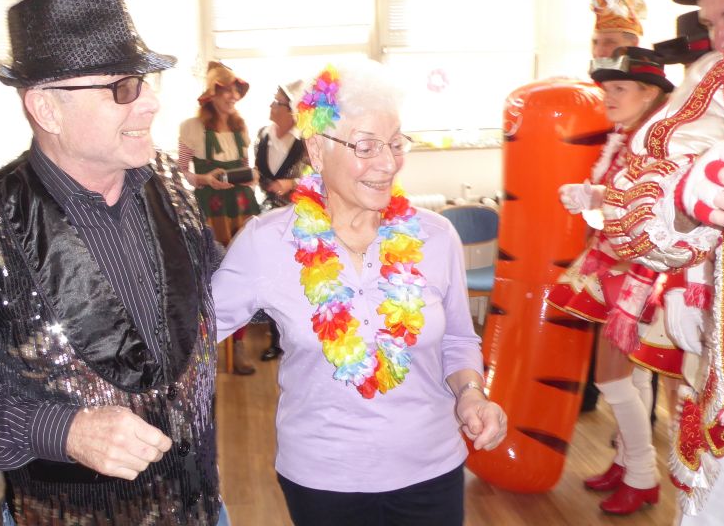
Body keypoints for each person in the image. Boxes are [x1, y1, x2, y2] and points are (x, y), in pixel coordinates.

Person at [0, 0, 225, 525]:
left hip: (204, 508)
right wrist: (65, 431)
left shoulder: (170, 184)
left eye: (145, 82)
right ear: (47, 108)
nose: (150, 102)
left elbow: (216, 289)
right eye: (122, 87)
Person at [212, 61, 507, 526]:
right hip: (323, 478)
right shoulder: (266, 242)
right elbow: (191, 338)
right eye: (366, 146)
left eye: (396, 143)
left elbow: (456, 338)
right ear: (317, 148)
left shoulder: (435, 236)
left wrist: (471, 393)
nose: (388, 163)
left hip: (432, 468)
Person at [597, 0, 724, 522]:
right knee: (642, 379)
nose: (721, 40)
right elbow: (638, 200)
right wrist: (685, 197)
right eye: (712, 24)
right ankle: (635, 467)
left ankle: (637, 470)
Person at [548, 47, 674, 515]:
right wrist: (596, 201)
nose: (609, 97)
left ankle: (642, 475)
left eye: (620, 88)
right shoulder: (628, 137)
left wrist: (597, 196)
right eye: (607, 89)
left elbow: (652, 205)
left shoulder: (658, 141)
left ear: (650, 92)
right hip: (615, 264)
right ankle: (626, 461)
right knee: (632, 376)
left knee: (612, 378)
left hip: (637, 272)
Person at [580, 0, 650, 414]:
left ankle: (639, 452)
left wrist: (595, 198)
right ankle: (631, 448)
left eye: (609, 41)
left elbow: (642, 198)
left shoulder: (649, 129)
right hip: (606, 246)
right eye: (596, 42)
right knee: (627, 371)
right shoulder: (611, 113)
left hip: (633, 260)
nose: (600, 49)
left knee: (624, 371)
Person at [178, 61, 260, 374]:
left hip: (241, 207)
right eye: (227, 91)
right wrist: (205, 178)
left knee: (244, 273)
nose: (233, 97)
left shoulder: (240, 126)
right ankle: (205, 346)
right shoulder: (192, 127)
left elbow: (247, 166)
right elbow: (180, 171)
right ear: (211, 94)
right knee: (209, 275)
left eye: (236, 92)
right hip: (211, 209)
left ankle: (238, 343)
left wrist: (251, 176)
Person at [253, 80, 308, 361]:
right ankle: (277, 339)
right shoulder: (263, 135)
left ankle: (302, 338)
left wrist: (293, 183)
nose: (271, 106)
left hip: (300, 217)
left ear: (292, 110)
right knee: (274, 276)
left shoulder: (305, 140)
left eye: (278, 103)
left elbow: (321, 176)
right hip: (269, 215)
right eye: (273, 101)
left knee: (299, 276)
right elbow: (259, 172)